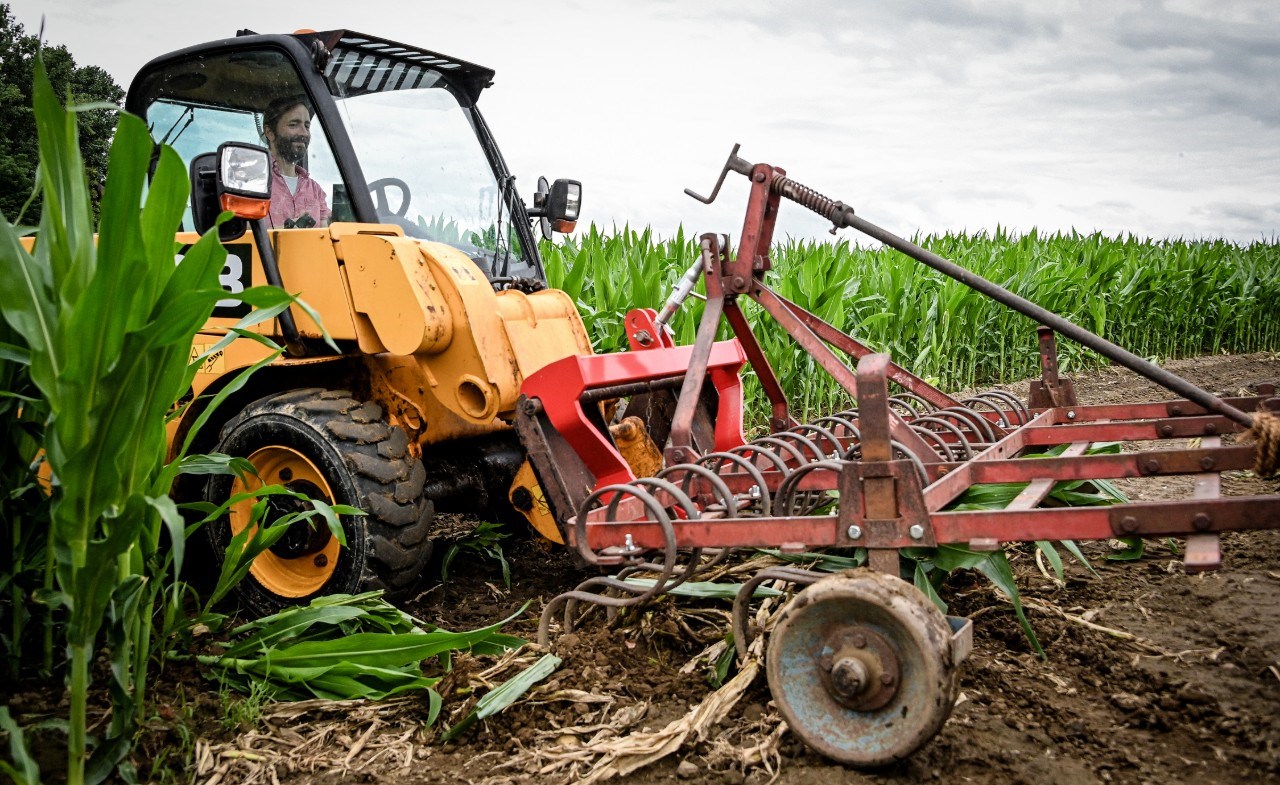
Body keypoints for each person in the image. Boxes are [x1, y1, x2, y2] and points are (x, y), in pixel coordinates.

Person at [262, 95, 330, 229]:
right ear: (269, 132)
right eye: (294, 125)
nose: (304, 133)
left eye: (307, 126)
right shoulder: (251, 182)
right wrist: (286, 231)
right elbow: (238, 232)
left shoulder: (315, 190)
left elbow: (326, 231)